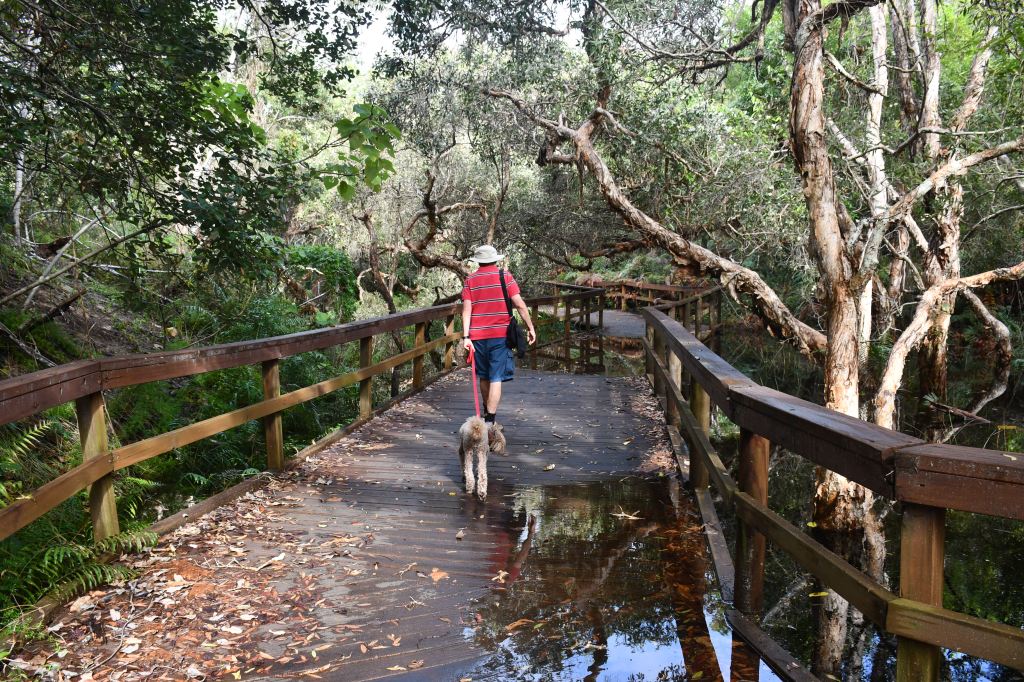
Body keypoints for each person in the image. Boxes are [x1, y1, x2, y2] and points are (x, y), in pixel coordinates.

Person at [461, 245, 537, 437]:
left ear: (478, 261)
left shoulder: (470, 280)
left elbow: (466, 310)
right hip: (499, 335)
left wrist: (466, 337)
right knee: (495, 377)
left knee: (485, 376)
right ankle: (490, 422)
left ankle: (487, 417)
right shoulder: (505, 276)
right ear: (495, 259)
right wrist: (530, 326)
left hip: (477, 336)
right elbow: (519, 304)